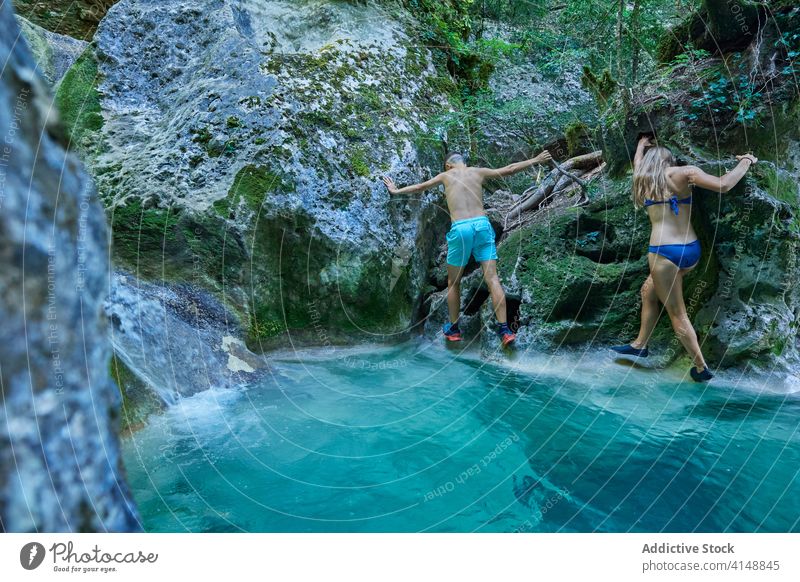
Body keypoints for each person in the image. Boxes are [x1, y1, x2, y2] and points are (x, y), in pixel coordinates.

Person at [612, 135, 757, 382]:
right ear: (670, 160)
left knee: (677, 313)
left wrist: (640, 146)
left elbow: (639, 163)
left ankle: (701, 368)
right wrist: (746, 161)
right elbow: (724, 185)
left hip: (663, 254)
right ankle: (640, 345)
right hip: (690, 250)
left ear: (648, 163)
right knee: (648, 290)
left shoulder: (644, 179)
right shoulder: (685, 173)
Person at [383, 150, 552, 345]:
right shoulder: (478, 171)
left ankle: (454, 329)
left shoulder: (445, 176)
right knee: (492, 279)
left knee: (453, 282)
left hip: (461, 228)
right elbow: (510, 169)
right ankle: (505, 331)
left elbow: (420, 187)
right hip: (482, 225)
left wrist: (396, 190)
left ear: (448, 165)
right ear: (463, 162)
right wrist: (536, 159)